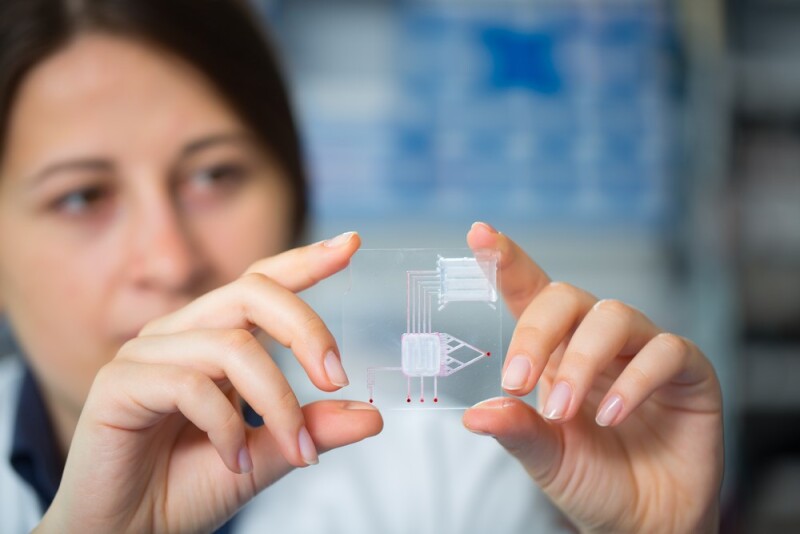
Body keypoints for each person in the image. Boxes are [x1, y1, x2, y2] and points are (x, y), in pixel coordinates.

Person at [0, 0, 723, 532]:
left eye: (215, 175)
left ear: (297, 194)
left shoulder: (449, 475)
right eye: (81, 196)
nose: (170, 260)